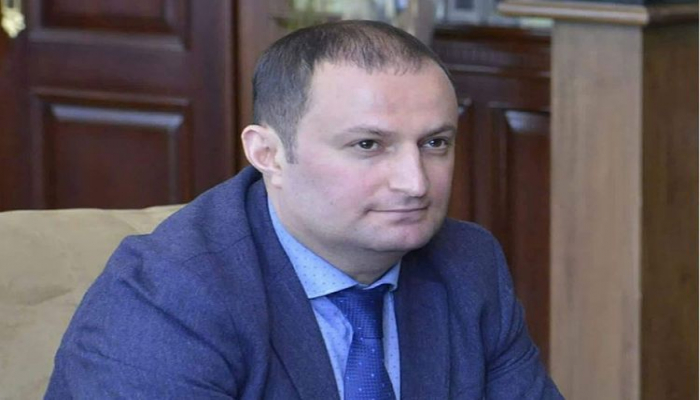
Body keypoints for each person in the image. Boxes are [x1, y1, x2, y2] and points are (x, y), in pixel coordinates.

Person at [45, 20, 562, 399]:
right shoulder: (171, 294)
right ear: (268, 154)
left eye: (435, 143)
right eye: (367, 145)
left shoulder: (467, 262)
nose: (415, 182)